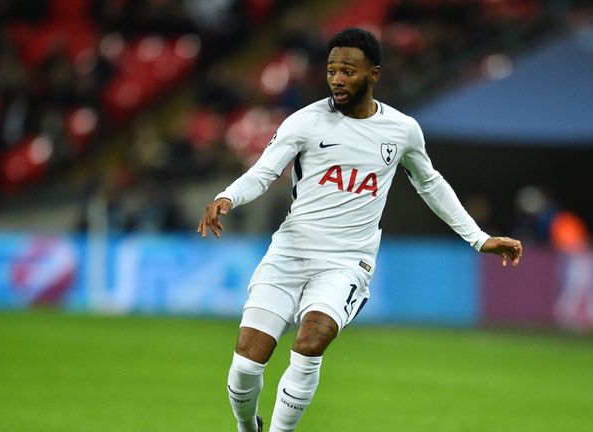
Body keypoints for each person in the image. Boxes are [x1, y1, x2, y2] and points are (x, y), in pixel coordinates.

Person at [198, 27, 522, 432]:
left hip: (347, 263)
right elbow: (265, 172)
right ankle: (248, 427)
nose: (336, 78)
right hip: (289, 255)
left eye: (347, 71)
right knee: (247, 362)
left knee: (311, 340)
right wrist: (227, 196)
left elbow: (430, 183)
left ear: (373, 74)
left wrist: (478, 237)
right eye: (332, 70)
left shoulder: (401, 130)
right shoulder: (305, 122)